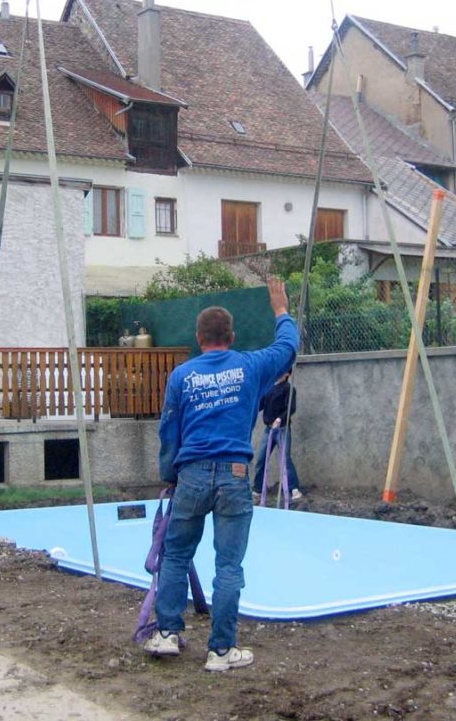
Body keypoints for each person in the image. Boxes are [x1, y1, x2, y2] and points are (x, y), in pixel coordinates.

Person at [144, 277, 298, 672]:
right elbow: (288, 347)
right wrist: (280, 309)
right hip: (233, 474)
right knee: (228, 566)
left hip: (191, 475)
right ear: (232, 335)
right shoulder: (249, 366)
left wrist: (169, 475)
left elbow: (169, 429)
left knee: (175, 554)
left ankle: (167, 634)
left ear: (199, 338)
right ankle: (222, 651)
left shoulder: (182, 377)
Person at [252, 368, 301, 503]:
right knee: (261, 458)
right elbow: (260, 405)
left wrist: (280, 419)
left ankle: (294, 488)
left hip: (282, 429)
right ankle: (258, 488)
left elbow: (291, 408)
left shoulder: (289, 389)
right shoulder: (268, 388)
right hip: (268, 430)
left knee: (285, 459)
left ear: (287, 374)